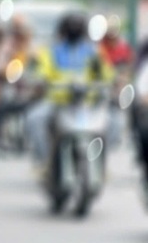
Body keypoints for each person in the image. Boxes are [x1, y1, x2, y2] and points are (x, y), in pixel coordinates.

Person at [26, 11, 112, 175]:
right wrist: (40, 81)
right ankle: (44, 162)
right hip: (57, 102)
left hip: (85, 104)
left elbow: (106, 74)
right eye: (71, 26)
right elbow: (42, 72)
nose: (74, 30)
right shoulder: (53, 51)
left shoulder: (92, 52)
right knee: (34, 119)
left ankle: (102, 166)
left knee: (109, 122)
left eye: (77, 27)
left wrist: (109, 82)